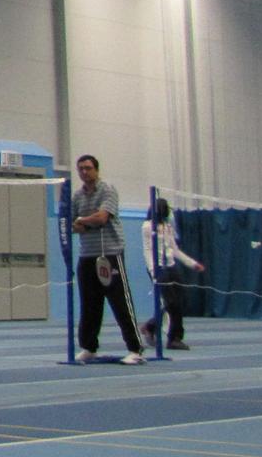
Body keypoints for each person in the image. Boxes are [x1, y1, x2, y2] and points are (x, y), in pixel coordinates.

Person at [72, 154, 144, 364]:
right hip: (87, 255)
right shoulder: (77, 196)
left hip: (110, 254)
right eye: (81, 169)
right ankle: (88, 347)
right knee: (89, 305)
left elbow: (103, 217)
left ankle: (135, 349)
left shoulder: (108, 189)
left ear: (96, 169)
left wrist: (83, 221)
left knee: (120, 302)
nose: (84, 172)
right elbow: (72, 225)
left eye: (88, 168)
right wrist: (86, 222)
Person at [139, 196, 203, 351]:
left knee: (179, 302)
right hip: (158, 268)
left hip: (171, 266)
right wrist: (154, 271)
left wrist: (192, 263)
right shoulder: (147, 227)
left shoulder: (167, 227)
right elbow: (147, 250)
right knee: (171, 302)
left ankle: (152, 327)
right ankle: (171, 336)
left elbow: (174, 250)